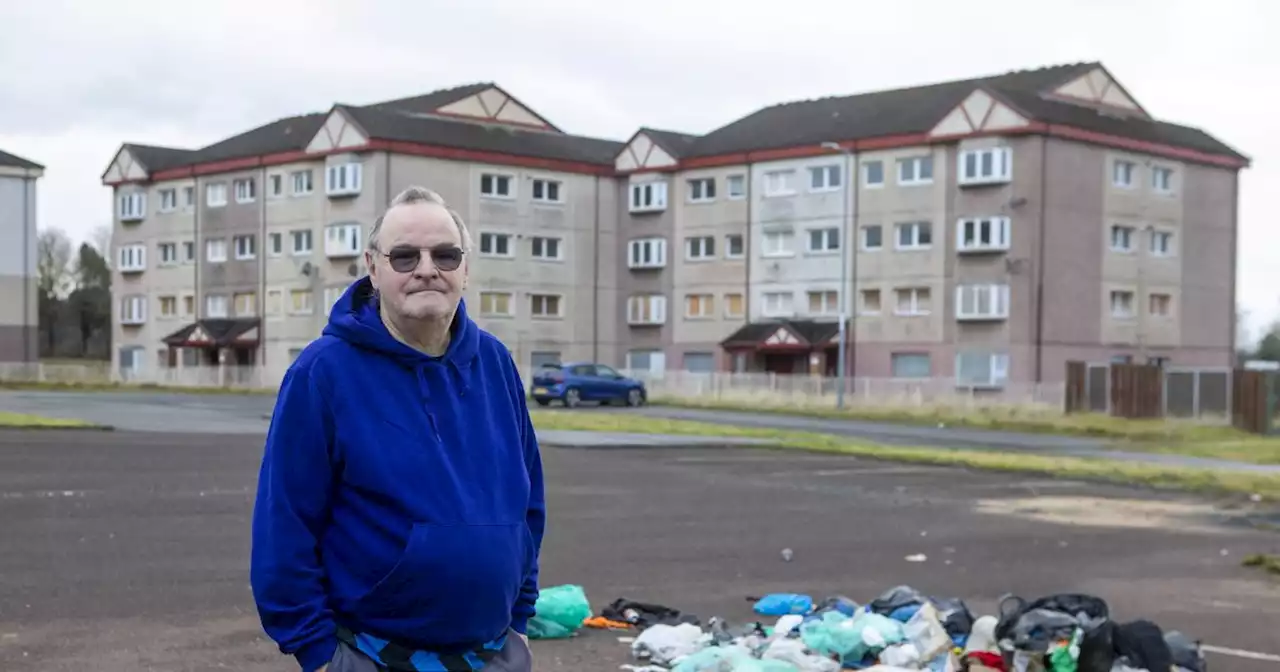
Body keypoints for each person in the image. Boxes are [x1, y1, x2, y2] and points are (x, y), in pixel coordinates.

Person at [250, 186, 545, 672]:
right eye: (405, 256)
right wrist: (318, 654)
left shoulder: (495, 362)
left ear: (465, 268)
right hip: (372, 655)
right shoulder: (323, 373)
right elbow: (285, 524)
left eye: (445, 255)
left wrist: (519, 620)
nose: (427, 268)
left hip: (494, 654)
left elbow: (527, 500)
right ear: (373, 266)